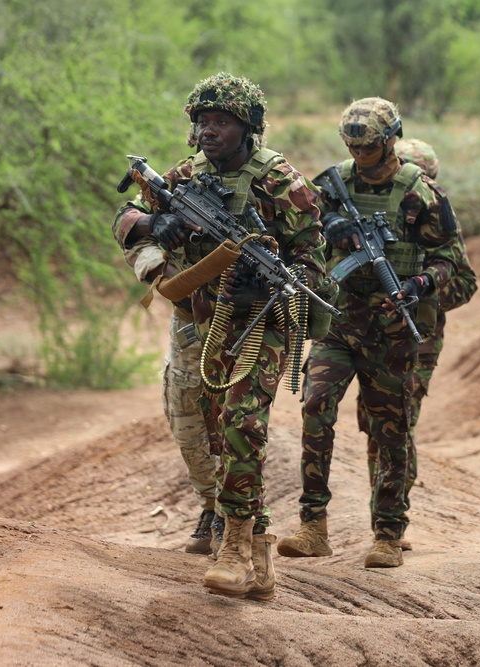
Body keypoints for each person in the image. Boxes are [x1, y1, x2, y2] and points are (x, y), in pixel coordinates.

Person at [113, 72, 329, 600]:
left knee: (243, 422)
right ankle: (259, 551)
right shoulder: (186, 175)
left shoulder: (283, 183)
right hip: (209, 322)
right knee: (217, 436)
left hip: (264, 323)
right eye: (203, 121)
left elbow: (315, 269)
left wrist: (271, 281)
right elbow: (125, 217)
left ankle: (232, 548)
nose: (209, 131)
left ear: (248, 129)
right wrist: (154, 227)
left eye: (222, 122)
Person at [277, 98, 458, 569]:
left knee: (390, 429)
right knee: (315, 406)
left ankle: (388, 534)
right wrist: (331, 227)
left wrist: (420, 284)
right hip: (338, 321)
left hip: (393, 331)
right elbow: (300, 235)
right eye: (353, 147)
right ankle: (313, 526)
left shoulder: (421, 193)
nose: (360, 155)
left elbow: (450, 260)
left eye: (370, 147)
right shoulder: (331, 184)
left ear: (391, 140)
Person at [353, 139, 478, 549]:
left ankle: (390, 520)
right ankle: (382, 510)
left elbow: (465, 282)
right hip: (371, 332)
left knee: (399, 421)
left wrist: (422, 293)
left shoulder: (437, 221)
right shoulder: (377, 218)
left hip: (418, 338)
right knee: (373, 423)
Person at [118, 242, 223, 556]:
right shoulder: (170, 210)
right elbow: (129, 231)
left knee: (238, 426)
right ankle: (211, 507)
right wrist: (166, 271)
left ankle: (233, 517)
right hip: (189, 327)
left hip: (242, 327)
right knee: (186, 426)